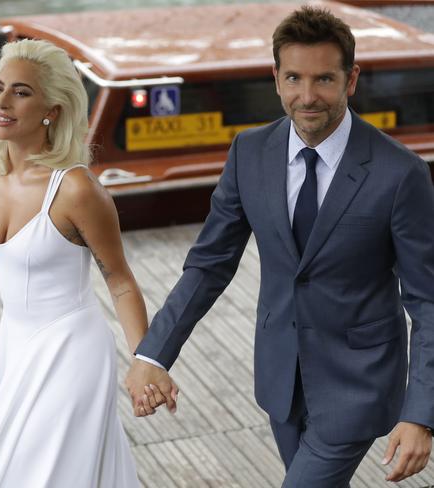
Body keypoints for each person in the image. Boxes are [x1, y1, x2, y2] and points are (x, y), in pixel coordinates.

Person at [125, 5, 434, 487]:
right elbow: (209, 264)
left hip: (359, 383)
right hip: (279, 379)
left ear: (351, 80)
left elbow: (428, 301)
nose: (307, 97)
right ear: (275, 77)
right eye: (293, 78)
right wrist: (152, 355)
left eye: (324, 80)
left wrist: (421, 414)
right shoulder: (249, 153)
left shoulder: (401, 175)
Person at [0, 38, 144, 487]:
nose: (1, 103)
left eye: (21, 92)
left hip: (72, 350)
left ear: (53, 109)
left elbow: (119, 280)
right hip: (15, 344)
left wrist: (147, 360)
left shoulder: (77, 191)